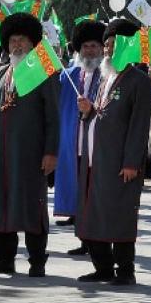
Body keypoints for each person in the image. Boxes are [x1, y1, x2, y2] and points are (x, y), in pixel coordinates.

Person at [0, 12, 60, 277]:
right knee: (0, 204)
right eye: (12, 41)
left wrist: (51, 152)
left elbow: (53, 117)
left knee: (32, 205)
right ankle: (4, 259)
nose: (16, 45)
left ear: (32, 44)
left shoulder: (44, 71)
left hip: (30, 153)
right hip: (0, 153)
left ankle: (37, 261)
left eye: (21, 40)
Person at [73, 18, 151, 286]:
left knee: (119, 215)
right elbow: (101, 114)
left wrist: (132, 161)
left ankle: (125, 270)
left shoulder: (139, 81)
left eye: (113, 45)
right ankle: (102, 267)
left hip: (121, 162)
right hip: (96, 159)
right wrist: (88, 112)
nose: (107, 50)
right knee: (94, 213)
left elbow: (139, 126)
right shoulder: (104, 77)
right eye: (106, 45)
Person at [55, 20, 106, 236]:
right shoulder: (69, 75)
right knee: (76, 188)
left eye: (94, 46)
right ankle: (81, 233)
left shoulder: (108, 76)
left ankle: (90, 237)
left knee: (94, 194)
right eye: (85, 46)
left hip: (97, 145)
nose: (90, 50)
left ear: (102, 48)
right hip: (72, 142)